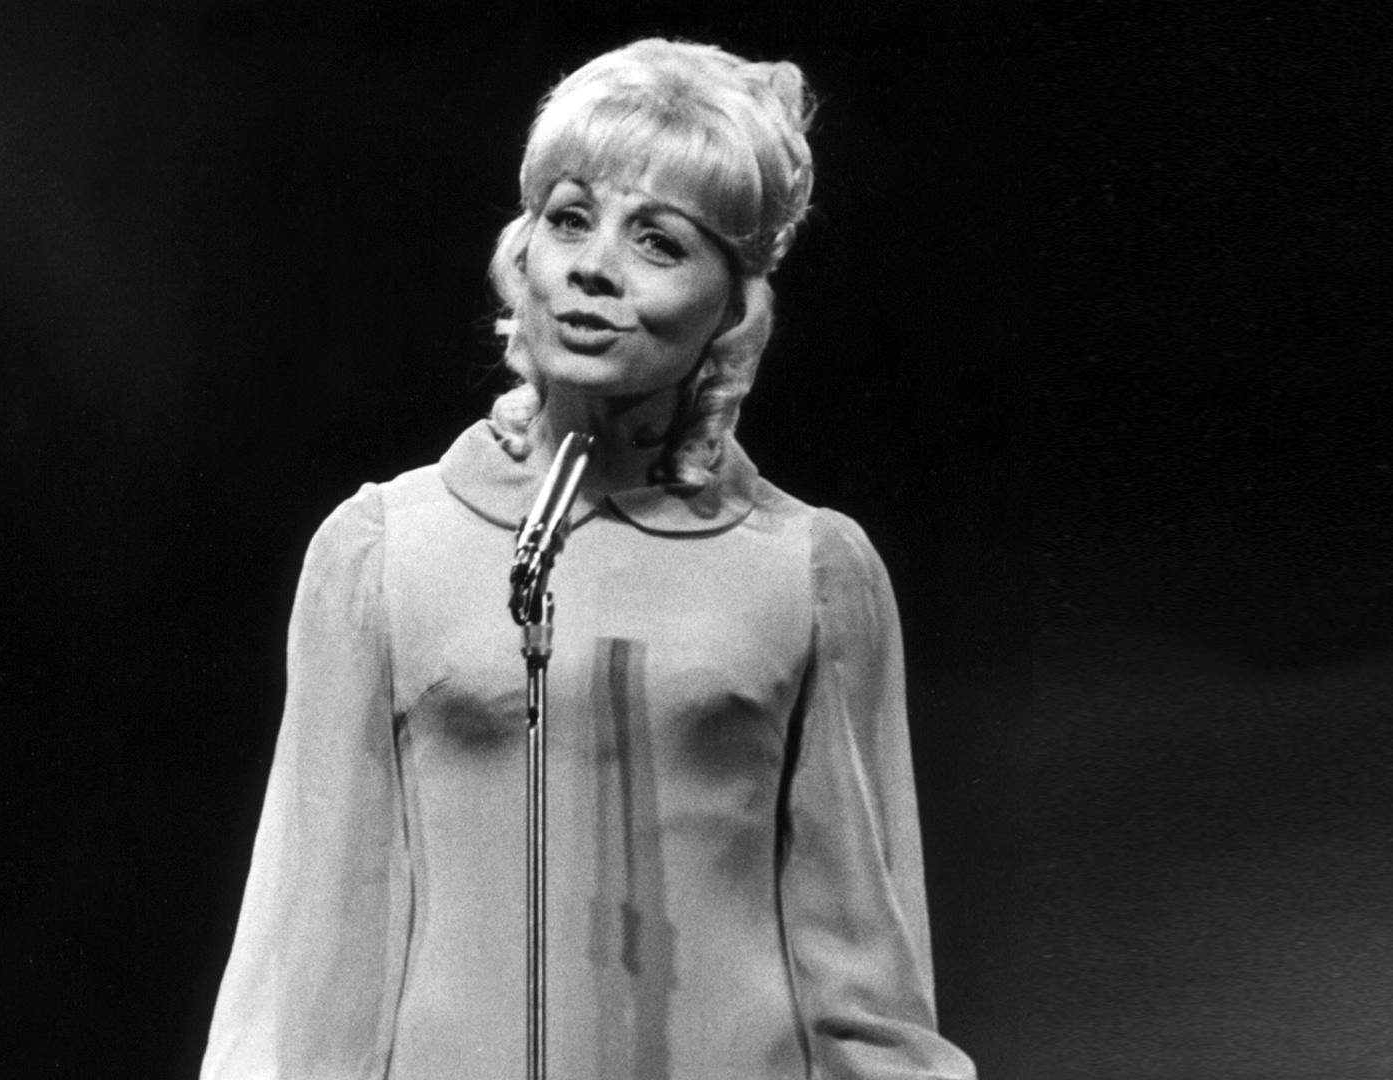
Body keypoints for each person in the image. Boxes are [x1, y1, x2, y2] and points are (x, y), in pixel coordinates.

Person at [200, 38, 977, 1080]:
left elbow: (866, 979)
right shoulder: (383, 549)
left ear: (734, 308)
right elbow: (310, 938)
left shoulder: (810, 570)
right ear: (523, 251)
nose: (595, 267)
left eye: (659, 241)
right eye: (571, 218)